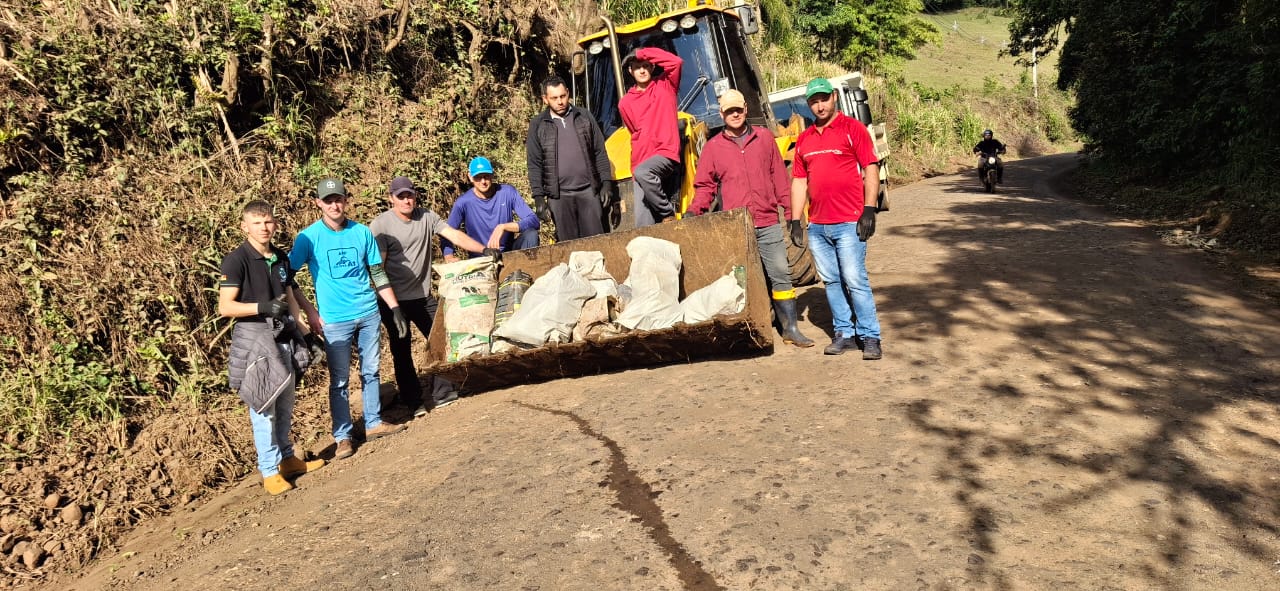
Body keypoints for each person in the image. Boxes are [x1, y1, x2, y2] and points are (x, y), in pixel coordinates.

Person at [289, 178, 407, 460]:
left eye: (338, 199)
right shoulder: (308, 237)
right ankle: (342, 436)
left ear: (346, 201)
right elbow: (287, 277)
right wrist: (309, 311)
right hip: (334, 319)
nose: (334, 205)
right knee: (339, 380)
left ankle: (373, 422)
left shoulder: (361, 233)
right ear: (318, 203)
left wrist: (394, 307)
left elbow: (377, 272)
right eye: (328, 200)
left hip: (367, 312)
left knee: (371, 370)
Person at [689, 89, 814, 348]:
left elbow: (781, 180)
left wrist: (792, 217)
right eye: (728, 111)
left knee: (780, 273)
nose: (734, 114)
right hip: (737, 229)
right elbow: (704, 187)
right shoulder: (713, 148)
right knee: (742, 280)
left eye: (738, 109)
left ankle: (790, 328)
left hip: (767, 222)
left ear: (746, 109)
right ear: (721, 114)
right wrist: (694, 212)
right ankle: (752, 329)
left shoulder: (765, 138)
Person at [218, 199, 325, 495]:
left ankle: (288, 459)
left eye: (268, 222)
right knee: (264, 404)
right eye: (256, 223)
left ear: (275, 223)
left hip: (285, 334)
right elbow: (225, 307)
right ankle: (269, 470)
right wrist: (262, 307)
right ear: (244, 226)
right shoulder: (236, 260)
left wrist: (303, 329)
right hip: (255, 336)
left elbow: (289, 292)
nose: (264, 228)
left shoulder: (279, 256)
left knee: (285, 400)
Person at [370, 176, 493, 417]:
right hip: (393, 300)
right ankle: (413, 401)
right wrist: (389, 304)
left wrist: (483, 250)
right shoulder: (381, 226)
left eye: (410, 195)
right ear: (391, 199)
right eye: (401, 196)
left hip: (421, 295)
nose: (406, 200)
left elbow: (453, 235)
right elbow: (378, 267)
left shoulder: (426, 216)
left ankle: (444, 390)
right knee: (401, 348)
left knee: (442, 337)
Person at [789, 78, 884, 360]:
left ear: (834, 98)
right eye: (814, 101)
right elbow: (798, 180)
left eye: (823, 99)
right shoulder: (804, 139)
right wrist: (796, 220)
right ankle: (844, 334)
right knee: (831, 281)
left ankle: (870, 336)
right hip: (818, 226)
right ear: (809, 104)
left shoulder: (852, 129)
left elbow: (870, 167)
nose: (819, 105)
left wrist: (869, 209)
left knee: (855, 280)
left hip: (849, 222)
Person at [526, 76, 617, 241]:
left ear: (568, 93)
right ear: (545, 99)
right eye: (554, 98)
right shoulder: (538, 125)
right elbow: (534, 164)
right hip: (559, 197)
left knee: (597, 243)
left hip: (589, 192)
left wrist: (606, 183)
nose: (560, 101)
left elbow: (600, 152)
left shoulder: (584, 117)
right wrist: (539, 198)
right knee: (568, 247)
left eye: (563, 96)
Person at [618, 46, 683, 227]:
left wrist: (641, 53)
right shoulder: (625, 103)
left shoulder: (665, 85)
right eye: (637, 66)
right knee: (642, 224)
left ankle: (667, 212)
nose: (642, 70)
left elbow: (676, 62)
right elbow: (634, 133)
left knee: (644, 172)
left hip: (665, 153)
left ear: (653, 67)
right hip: (641, 159)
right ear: (630, 71)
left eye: (646, 65)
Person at [442, 157, 539, 261]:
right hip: (481, 258)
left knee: (531, 235)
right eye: (478, 177)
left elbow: (534, 220)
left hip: (508, 253)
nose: (483, 181)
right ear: (470, 177)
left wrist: (503, 227)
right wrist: (448, 256)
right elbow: (448, 232)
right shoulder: (463, 202)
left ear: (492, 174)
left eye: (486, 176)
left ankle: (527, 271)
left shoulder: (507, 192)